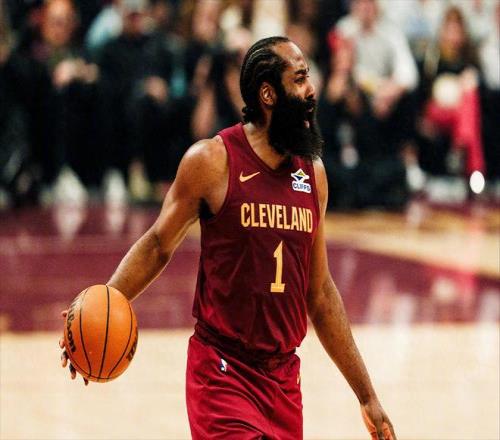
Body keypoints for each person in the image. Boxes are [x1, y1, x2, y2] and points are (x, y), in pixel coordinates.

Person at [59, 36, 396, 440]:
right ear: (268, 95)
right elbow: (157, 244)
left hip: (283, 380)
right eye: (300, 79)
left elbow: (320, 293)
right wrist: (102, 307)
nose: (311, 91)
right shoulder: (212, 161)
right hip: (222, 372)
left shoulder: (313, 175)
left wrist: (367, 396)